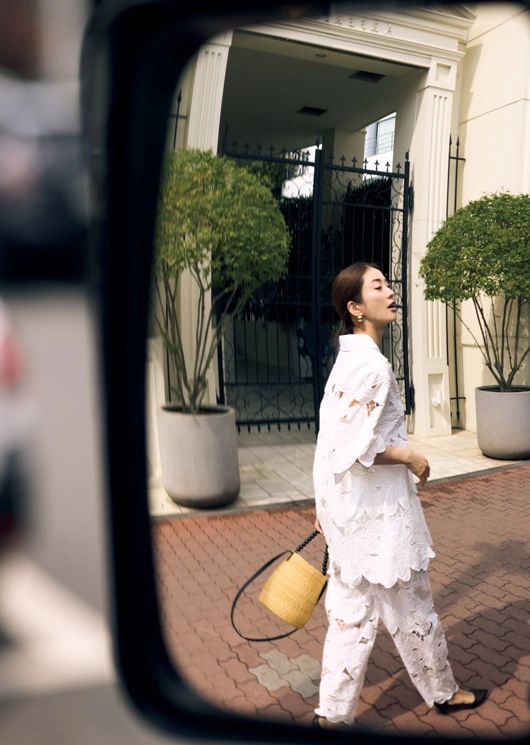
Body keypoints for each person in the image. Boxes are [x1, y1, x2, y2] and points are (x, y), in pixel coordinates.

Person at [312, 262, 487, 728]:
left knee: (350, 618)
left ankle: (331, 715)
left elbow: (327, 443)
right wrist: (411, 458)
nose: (390, 292)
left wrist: (322, 505)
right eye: (378, 286)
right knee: (413, 608)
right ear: (355, 308)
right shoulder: (372, 365)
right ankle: (444, 693)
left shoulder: (347, 362)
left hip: (350, 515)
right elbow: (356, 449)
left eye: (388, 284)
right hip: (380, 518)